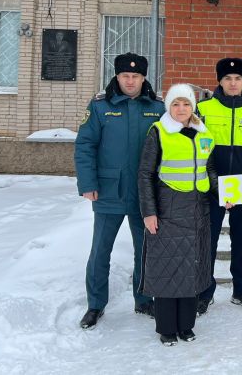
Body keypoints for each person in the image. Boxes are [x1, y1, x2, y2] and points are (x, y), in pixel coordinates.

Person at [74, 52, 165, 329]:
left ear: (143, 78)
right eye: (125, 75)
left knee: (145, 250)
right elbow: (85, 145)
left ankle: (144, 298)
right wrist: (88, 183)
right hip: (108, 190)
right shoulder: (101, 106)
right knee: (101, 250)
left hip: (144, 194)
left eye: (135, 76)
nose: (130, 81)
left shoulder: (158, 107)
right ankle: (95, 305)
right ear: (116, 76)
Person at [137, 84, 217, 346]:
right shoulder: (159, 132)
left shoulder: (203, 131)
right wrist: (149, 212)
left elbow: (210, 170)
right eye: (175, 104)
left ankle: (186, 325)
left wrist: (226, 195)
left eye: (185, 104)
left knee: (192, 268)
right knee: (168, 267)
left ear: (192, 106)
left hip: (198, 209)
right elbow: (145, 174)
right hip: (169, 209)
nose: (181, 109)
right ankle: (167, 328)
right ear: (168, 107)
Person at [195, 58, 242, 315]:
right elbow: (193, 148)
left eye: (237, 78)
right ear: (219, 80)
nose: (232, 82)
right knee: (209, 241)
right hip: (211, 185)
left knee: (241, 241)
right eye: (227, 78)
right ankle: (204, 293)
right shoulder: (202, 108)